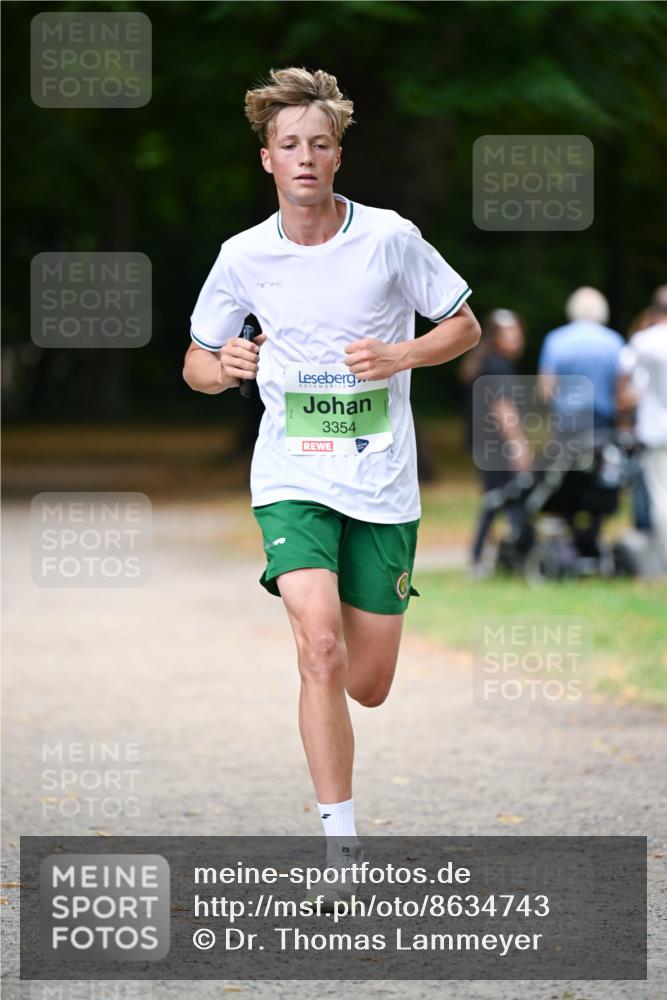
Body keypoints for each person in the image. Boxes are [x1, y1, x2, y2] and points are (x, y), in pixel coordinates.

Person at [182, 68, 480, 900]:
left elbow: (463, 325)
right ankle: (340, 851)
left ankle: (351, 667)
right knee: (316, 645)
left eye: (318, 143)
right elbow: (196, 363)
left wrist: (401, 355)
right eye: (288, 145)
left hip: (381, 483)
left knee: (367, 682)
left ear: (338, 156)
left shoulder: (389, 238)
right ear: (267, 162)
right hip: (291, 475)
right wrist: (225, 365)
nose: (304, 157)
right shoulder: (242, 256)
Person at [460, 309, 529, 573]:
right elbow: (503, 409)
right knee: (505, 498)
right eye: (511, 334)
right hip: (497, 446)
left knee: (496, 498)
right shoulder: (497, 365)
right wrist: (518, 444)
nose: (518, 340)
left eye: (519, 334)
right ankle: (492, 556)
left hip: (481, 444)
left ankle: (486, 555)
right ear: (496, 337)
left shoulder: (482, 362)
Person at [617, 290, 667, 573]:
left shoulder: (644, 341)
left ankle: (662, 560)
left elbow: (624, 388)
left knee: (661, 497)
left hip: (657, 431)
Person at [538, 286, 624, 438]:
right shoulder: (614, 341)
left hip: (566, 422)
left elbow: (546, 389)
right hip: (601, 421)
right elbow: (621, 389)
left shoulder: (555, 339)